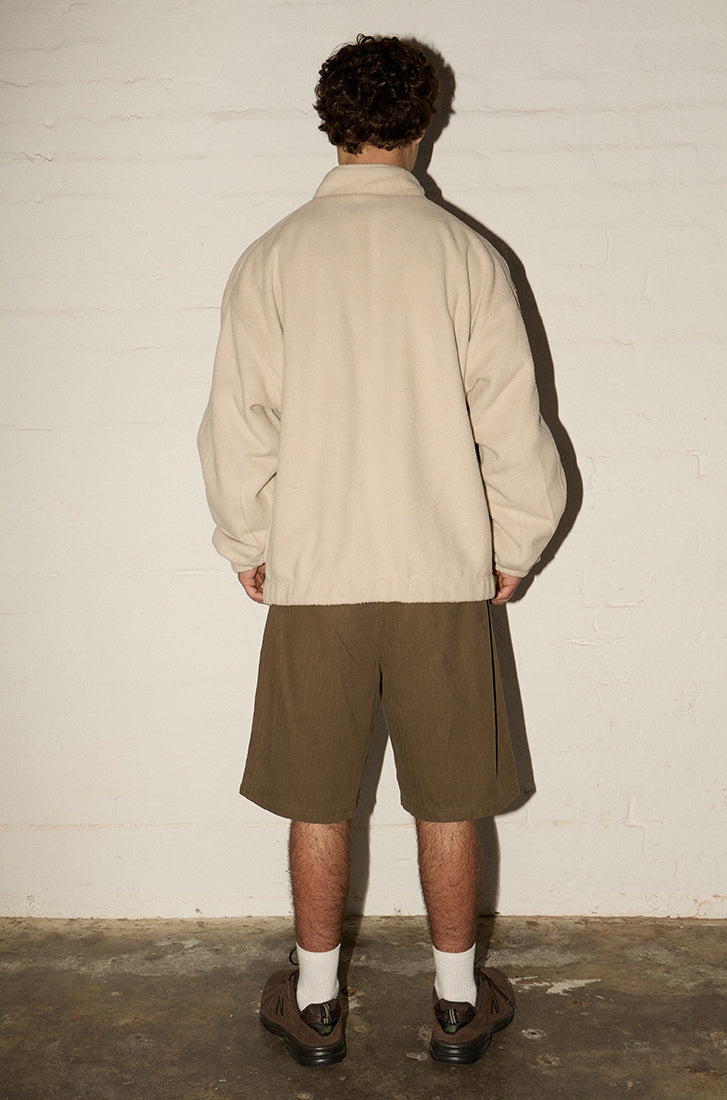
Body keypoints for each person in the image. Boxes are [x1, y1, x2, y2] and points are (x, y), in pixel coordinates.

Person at [197, 33, 566, 1067]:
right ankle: (456, 1002)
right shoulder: (465, 256)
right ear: (422, 121)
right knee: (451, 798)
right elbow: (512, 421)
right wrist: (516, 541)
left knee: (319, 796)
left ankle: (317, 1004)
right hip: (440, 570)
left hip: (317, 571)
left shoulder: (274, 256)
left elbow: (238, 423)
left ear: (332, 123)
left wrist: (249, 537)